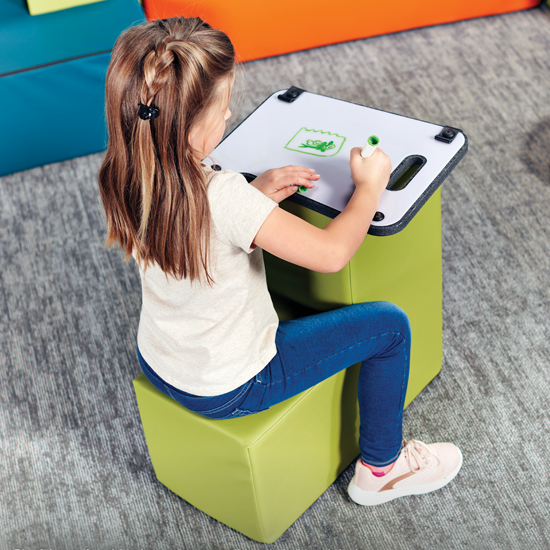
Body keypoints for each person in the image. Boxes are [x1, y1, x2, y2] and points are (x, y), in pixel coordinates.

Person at [98, 16, 462, 506]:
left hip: (160, 359)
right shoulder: (221, 198)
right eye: (223, 109)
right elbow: (331, 254)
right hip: (233, 384)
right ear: (189, 123)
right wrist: (371, 187)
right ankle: (382, 469)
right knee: (390, 327)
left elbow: (199, 230)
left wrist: (252, 195)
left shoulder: (126, 170)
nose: (227, 118)